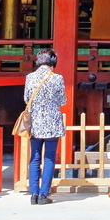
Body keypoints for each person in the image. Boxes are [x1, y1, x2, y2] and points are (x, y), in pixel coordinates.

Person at [22, 50, 66, 204]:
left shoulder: (30, 77)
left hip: (35, 122)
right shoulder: (57, 78)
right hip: (52, 122)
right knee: (49, 158)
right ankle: (44, 194)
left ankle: (33, 194)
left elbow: (26, 98)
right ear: (53, 62)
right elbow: (62, 100)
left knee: (34, 158)